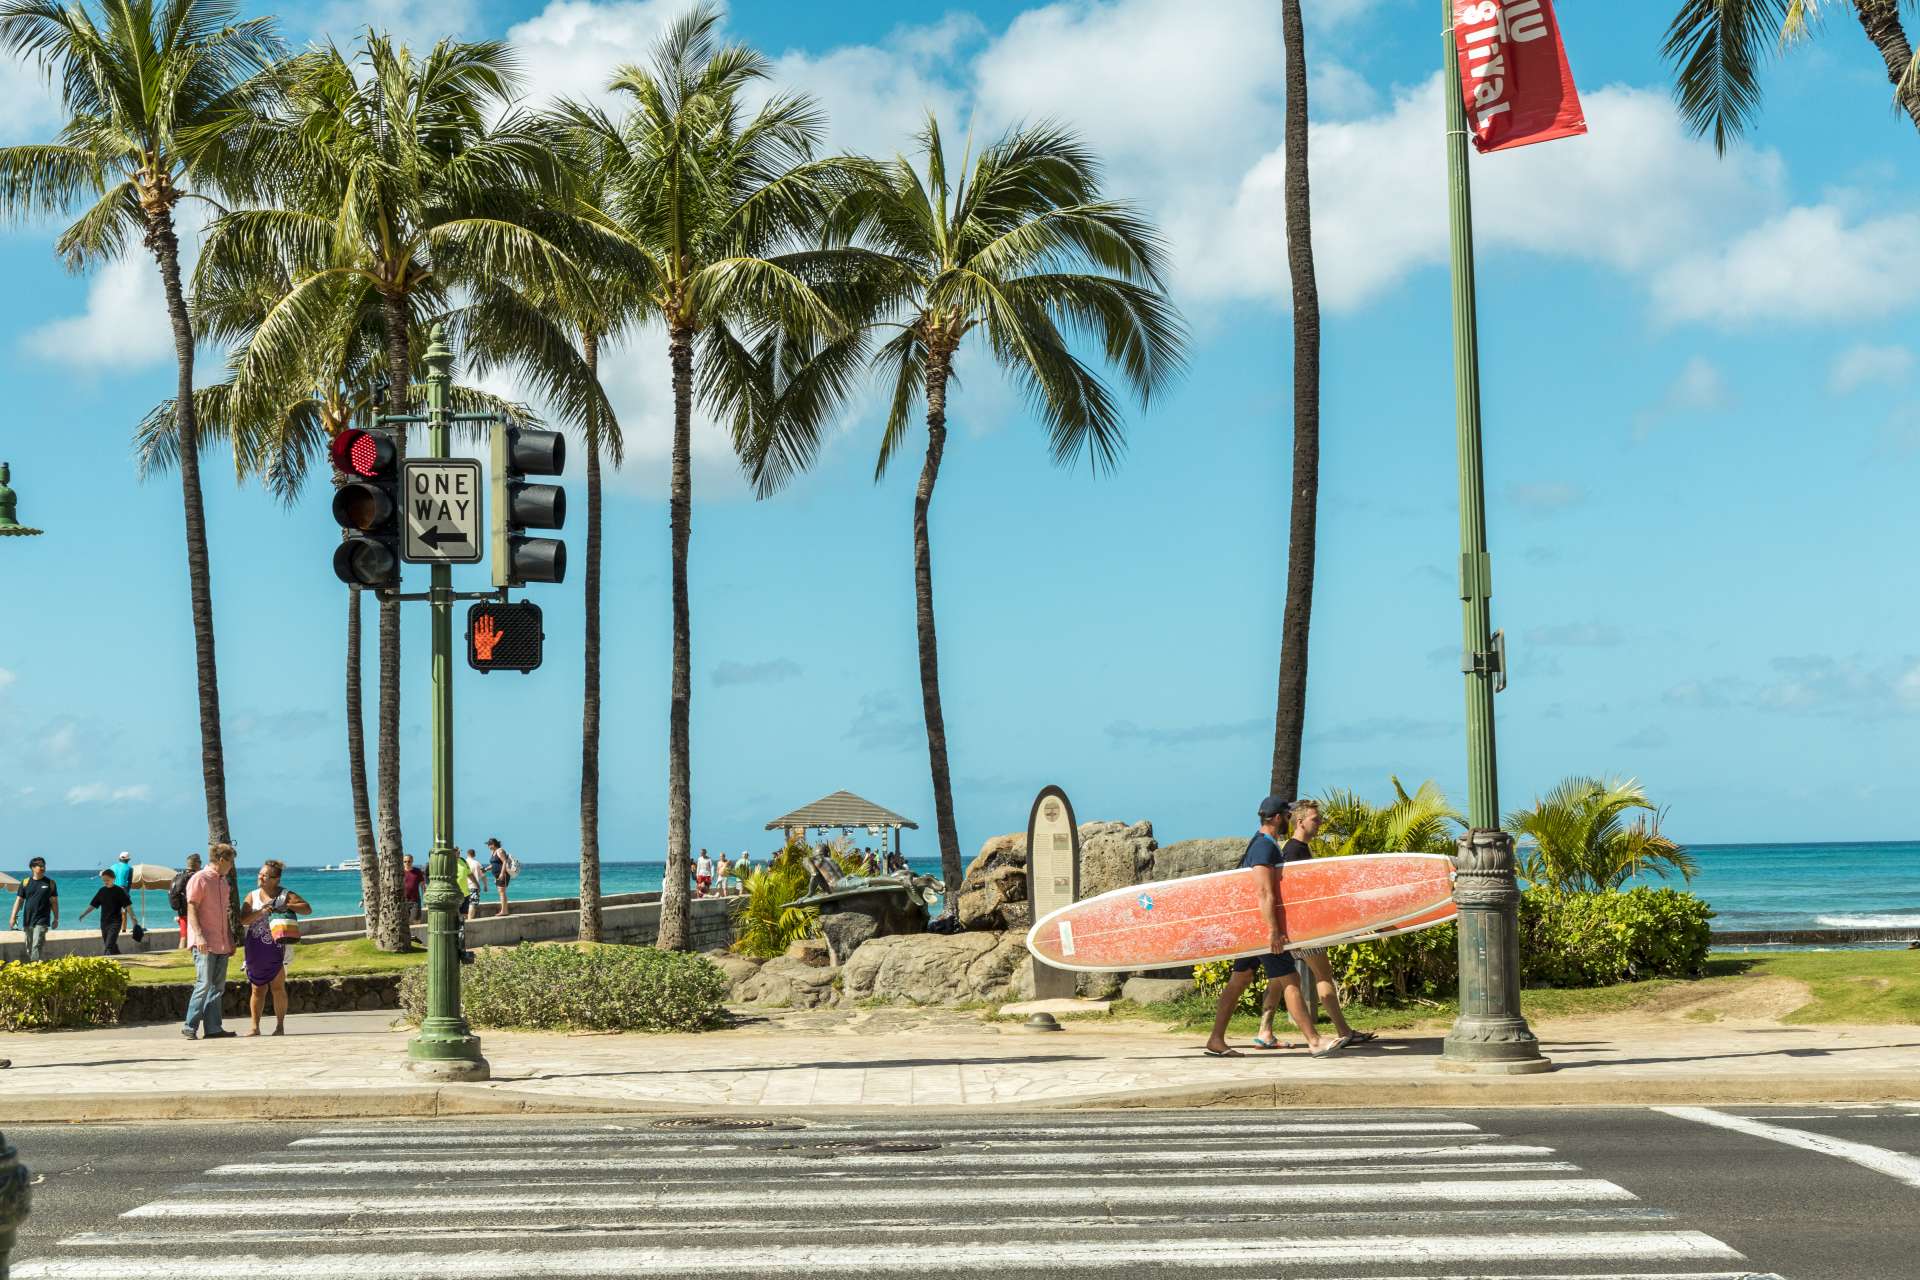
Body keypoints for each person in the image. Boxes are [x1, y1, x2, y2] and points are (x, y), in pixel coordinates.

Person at [1202, 795, 1346, 1059]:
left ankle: (1215, 1039)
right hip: (1262, 928)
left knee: (1240, 979)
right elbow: (1264, 893)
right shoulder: (1264, 848)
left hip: (1252, 925)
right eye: (1287, 816)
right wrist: (1273, 931)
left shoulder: (1262, 844)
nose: (1289, 820)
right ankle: (1314, 1041)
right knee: (1291, 979)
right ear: (1279, 818)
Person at [1278, 801, 1375, 1049]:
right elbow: (1298, 893)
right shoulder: (1294, 851)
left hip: (1303, 928)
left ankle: (1266, 1031)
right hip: (1305, 929)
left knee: (1285, 981)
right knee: (1323, 976)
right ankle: (1342, 1031)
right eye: (1315, 819)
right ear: (1300, 822)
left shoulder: (1298, 849)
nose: (1320, 823)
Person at [240, 859, 312, 1036]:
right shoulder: (252, 895)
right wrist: (261, 912)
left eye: (265, 875)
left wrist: (285, 906)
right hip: (255, 946)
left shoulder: (285, 894)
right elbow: (243, 920)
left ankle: (280, 1026)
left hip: (278, 947)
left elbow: (307, 909)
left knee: (277, 987)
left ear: (276, 879)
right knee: (257, 988)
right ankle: (255, 1027)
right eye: (260, 874)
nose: (261, 877)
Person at [183, 844, 239, 1040]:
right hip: (204, 941)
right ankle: (190, 1026)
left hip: (221, 941)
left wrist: (230, 940)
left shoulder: (223, 883)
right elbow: (192, 907)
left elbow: (224, 914)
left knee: (218, 987)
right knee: (204, 983)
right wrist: (198, 935)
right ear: (222, 859)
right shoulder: (200, 878)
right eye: (231, 861)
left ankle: (213, 1028)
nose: (232, 866)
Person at [9, 858, 58, 962]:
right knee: (29, 946)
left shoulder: (50, 883)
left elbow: (54, 902)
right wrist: (13, 917)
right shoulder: (25, 882)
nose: (43, 868)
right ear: (33, 868)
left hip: (42, 919)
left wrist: (56, 918)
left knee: (37, 944)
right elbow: (19, 901)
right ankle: (36, 964)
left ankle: (34, 967)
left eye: (44, 865)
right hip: (28, 919)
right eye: (40, 866)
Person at [79, 869, 134, 955]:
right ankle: (118, 956)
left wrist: (134, 920)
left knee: (108, 946)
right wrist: (84, 914)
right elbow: (93, 905)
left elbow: (128, 906)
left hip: (115, 922)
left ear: (113, 878)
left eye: (107, 880)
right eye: (104, 880)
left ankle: (105, 961)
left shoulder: (119, 891)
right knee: (111, 944)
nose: (105, 882)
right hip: (104, 922)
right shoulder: (102, 891)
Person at [167, 854, 201, 947]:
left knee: (183, 936)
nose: (201, 864)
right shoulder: (195, 877)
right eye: (200, 862)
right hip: (192, 911)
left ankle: (181, 953)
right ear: (196, 864)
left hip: (181, 910)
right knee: (192, 936)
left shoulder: (179, 875)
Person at [485, 838, 516, 917]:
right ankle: (504, 910)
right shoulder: (493, 852)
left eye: (489, 845)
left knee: (502, 892)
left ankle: (504, 911)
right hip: (497, 875)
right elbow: (494, 864)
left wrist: (502, 873)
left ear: (493, 844)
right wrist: (486, 869)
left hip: (503, 874)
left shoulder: (500, 851)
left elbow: (504, 861)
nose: (489, 847)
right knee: (500, 892)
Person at [402, 854, 424, 923]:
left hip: (415, 901)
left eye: (409, 861)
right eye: (405, 861)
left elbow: (422, 885)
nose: (407, 863)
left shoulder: (417, 872)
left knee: (415, 921)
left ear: (412, 861)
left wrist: (425, 897)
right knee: (405, 923)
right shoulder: (400, 872)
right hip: (404, 901)